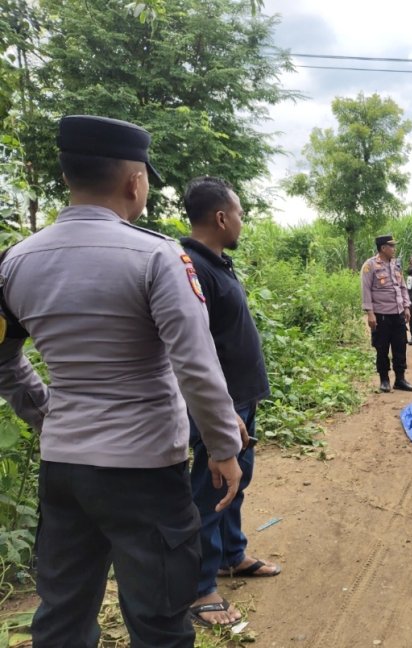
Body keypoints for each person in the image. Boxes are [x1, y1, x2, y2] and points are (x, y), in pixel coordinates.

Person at [0, 115, 244, 647]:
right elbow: (195, 364)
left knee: (62, 613)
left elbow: (3, 360)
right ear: (135, 181)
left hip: (64, 467)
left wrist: (46, 412)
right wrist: (225, 446)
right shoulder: (156, 256)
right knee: (159, 617)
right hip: (144, 471)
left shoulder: (14, 262)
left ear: (69, 177)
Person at [180, 176, 280, 628]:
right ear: (221, 217)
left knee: (236, 484)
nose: (242, 221)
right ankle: (201, 589)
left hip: (240, 400)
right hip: (222, 405)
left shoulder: (216, 262)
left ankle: (231, 556)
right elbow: (194, 351)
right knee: (211, 490)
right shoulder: (191, 268)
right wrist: (221, 413)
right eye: (239, 213)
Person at [361, 234, 412, 393]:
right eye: (391, 246)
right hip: (381, 316)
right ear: (383, 248)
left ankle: (400, 379)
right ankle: (384, 380)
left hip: (397, 315)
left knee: (400, 347)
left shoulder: (395, 265)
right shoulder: (370, 266)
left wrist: (406, 307)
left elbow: (403, 287)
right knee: (382, 348)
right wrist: (370, 313)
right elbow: (366, 290)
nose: (394, 249)